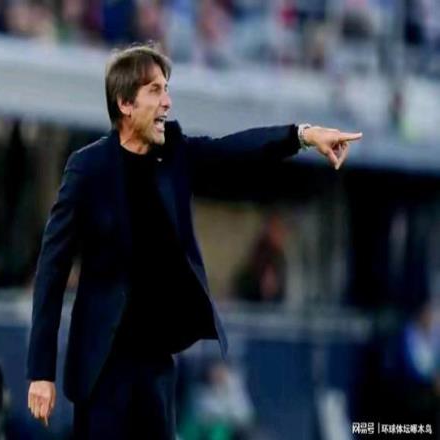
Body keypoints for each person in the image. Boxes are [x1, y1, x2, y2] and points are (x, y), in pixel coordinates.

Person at [26, 43, 362, 439]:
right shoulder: (87, 168)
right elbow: (52, 269)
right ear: (125, 103)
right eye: (155, 90)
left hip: (156, 365)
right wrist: (41, 372)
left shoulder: (175, 155)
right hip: (100, 369)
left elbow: (237, 149)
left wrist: (303, 135)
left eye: (167, 90)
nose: (167, 102)